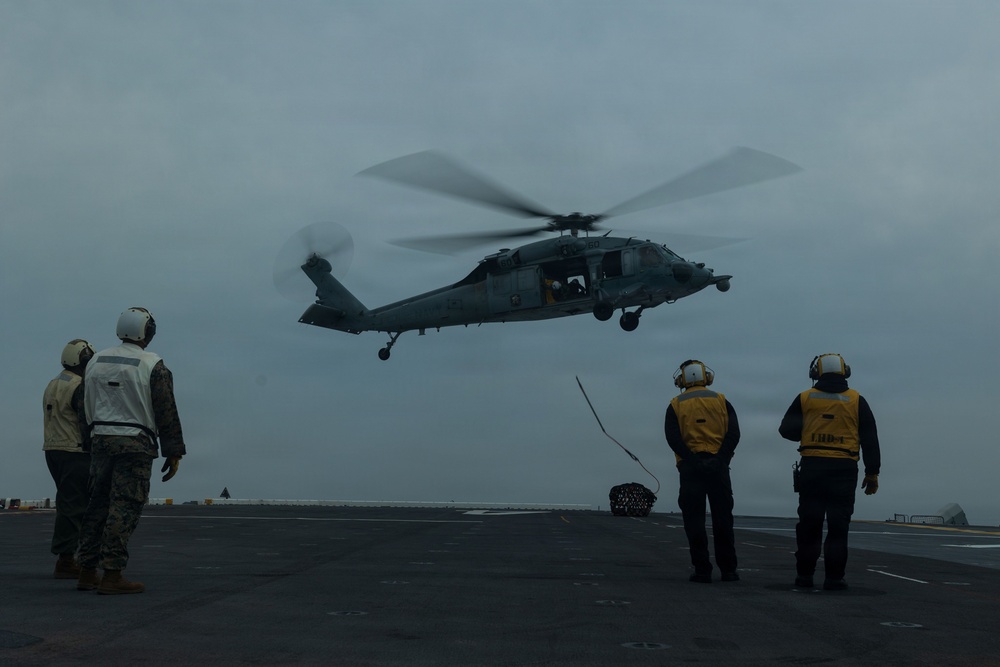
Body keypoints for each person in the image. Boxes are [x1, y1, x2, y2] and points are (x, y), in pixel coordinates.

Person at [76, 307, 186, 594]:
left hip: (101, 441)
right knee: (124, 507)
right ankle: (112, 575)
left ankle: (87, 570)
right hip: (135, 445)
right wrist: (173, 451)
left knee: (96, 506)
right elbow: (166, 410)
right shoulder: (153, 364)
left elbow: (83, 406)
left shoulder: (95, 360)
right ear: (147, 332)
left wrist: (89, 440)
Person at [779, 353, 881, 591]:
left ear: (817, 373)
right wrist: (872, 472)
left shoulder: (805, 398)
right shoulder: (856, 400)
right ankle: (834, 579)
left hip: (813, 468)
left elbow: (785, 430)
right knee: (838, 527)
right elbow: (870, 439)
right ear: (845, 372)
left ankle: (804, 576)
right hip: (844, 471)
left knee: (810, 524)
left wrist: (808, 432)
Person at [665, 360, 741, 583]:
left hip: (691, 471)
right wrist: (720, 459)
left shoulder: (676, 404)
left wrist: (692, 461)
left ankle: (702, 570)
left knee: (694, 521)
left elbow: (673, 438)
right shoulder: (721, 401)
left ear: (682, 380)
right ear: (706, 377)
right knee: (723, 520)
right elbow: (734, 434)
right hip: (719, 469)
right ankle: (728, 570)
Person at [42, 339, 96, 579]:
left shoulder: (53, 383)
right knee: (75, 507)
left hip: (53, 450)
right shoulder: (79, 385)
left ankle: (67, 557)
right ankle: (66, 560)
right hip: (75, 451)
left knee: (67, 503)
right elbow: (87, 421)